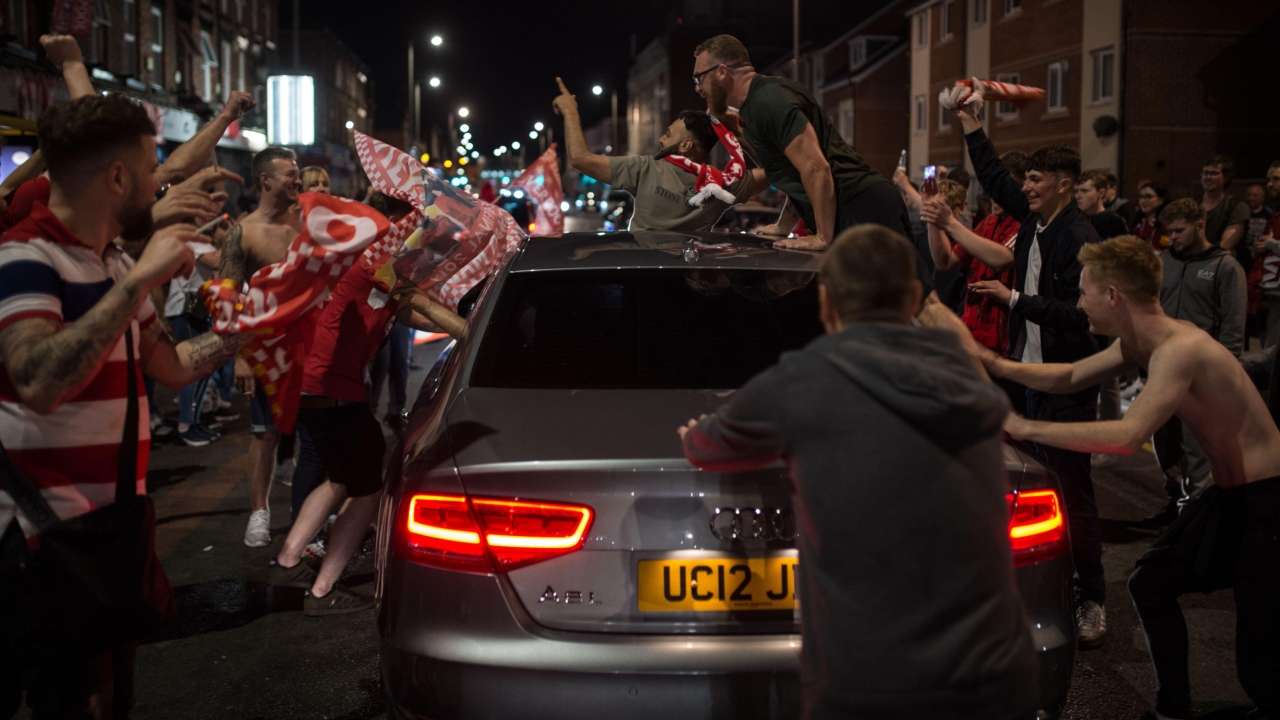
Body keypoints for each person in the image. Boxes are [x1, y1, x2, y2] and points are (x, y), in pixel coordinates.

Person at [677, 224, 1038, 720]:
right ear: (913, 298)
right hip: (994, 675)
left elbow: (708, 446)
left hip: (871, 680)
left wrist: (696, 432)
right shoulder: (964, 378)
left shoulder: (803, 382)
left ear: (827, 304)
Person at [0, 93, 245, 720]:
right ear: (117, 176)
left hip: (107, 538)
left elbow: (169, 367)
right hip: (36, 548)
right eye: (149, 164)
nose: (156, 179)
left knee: (111, 700)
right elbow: (36, 379)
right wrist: (142, 280)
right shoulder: (25, 258)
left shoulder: (109, 262)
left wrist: (248, 332)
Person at [980, 235, 1280, 720]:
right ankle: (1172, 708)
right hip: (1231, 496)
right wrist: (993, 364)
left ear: (1114, 296)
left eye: (1083, 292)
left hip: (1267, 501)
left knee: (1259, 663)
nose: (1079, 303)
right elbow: (1071, 376)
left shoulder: (1179, 349)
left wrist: (1022, 426)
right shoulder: (1140, 340)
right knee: (1151, 583)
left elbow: (1127, 435)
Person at [944, 82, 1108, 644]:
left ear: (1062, 185)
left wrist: (1012, 299)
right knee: (1032, 493)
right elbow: (993, 177)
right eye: (1028, 180)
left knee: (1073, 494)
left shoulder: (1076, 237)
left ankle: (1092, 598)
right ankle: (1039, 586)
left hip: (1066, 384)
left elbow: (1076, 315)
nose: (1027, 188)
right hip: (1029, 376)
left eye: (1036, 181)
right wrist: (970, 123)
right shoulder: (1036, 221)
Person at [271, 254, 465, 615]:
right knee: (368, 489)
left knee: (341, 479)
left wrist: (459, 322)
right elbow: (422, 304)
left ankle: (288, 559)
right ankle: (322, 590)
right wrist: (478, 331)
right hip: (334, 391)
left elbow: (417, 314)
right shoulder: (378, 267)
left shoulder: (386, 282)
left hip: (319, 389)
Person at [692, 35, 913, 253]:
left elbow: (815, 168)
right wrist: (784, 225)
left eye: (699, 78)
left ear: (721, 72)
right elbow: (795, 174)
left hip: (862, 207)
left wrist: (822, 237)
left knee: (910, 289)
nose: (698, 88)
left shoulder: (767, 101)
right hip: (854, 208)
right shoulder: (758, 103)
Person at [218, 146, 303, 548]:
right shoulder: (244, 232)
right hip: (265, 348)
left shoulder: (309, 224)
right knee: (264, 434)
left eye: (298, 172)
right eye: (289, 173)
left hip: (310, 346)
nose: (297, 179)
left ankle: (309, 518)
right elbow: (228, 297)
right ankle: (259, 512)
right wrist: (239, 357)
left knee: (315, 433)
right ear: (266, 180)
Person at [552, 77, 765, 233]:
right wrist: (737, 133)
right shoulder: (724, 184)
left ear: (685, 145)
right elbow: (777, 169)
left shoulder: (646, 168)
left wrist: (570, 111)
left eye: (667, 134)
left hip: (644, 276)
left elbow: (580, 159)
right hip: (689, 278)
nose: (661, 140)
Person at [1149, 199, 1248, 524]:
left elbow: (1233, 329)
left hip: (1201, 376)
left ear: (1199, 225)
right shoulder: (1164, 262)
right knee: (1166, 445)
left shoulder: (1225, 267)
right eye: (1169, 231)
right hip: (1163, 369)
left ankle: (1202, 524)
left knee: (1199, 451)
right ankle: (1176, 508)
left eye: (1180, 231)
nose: (1172, 237)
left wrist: (1223, 379)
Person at [923, 168, 1022, 356]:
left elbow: (1001, 259)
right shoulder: (987, 223)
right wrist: (932, 217)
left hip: (1005, 341)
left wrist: (949, 222)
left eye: (1001, 191)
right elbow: (945, 261)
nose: (994, 197)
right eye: (992, 191)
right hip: (973, 332)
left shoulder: (1023, 224)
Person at [1199, 156, 1250, 263]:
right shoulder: (1193, 204)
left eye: (1213, 173)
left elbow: (1225, 246)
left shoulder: (1236, 206)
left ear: (1226, 178)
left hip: (1217, 265)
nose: (1207, 177)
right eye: (1205, 173)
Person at [1076, 170, 1129, 239]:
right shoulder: (1076, 220)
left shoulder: (1114, 222)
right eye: (1076, 191)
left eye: (1084, 191)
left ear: (1101, 193)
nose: (1077, 196)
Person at [1134, 182, 1170, 250]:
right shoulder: (1138, 222)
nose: (1143, 201)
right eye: (1141, 197)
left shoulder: (1166, 224)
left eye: (1148, 197)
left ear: (1161, 200)